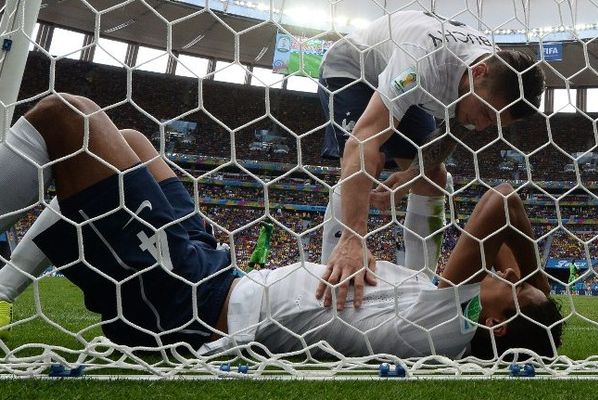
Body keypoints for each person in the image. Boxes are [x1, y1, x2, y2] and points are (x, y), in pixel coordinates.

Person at [0, 94, 562, 359]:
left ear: (495, 321)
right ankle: (5, 288)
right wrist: (530, 294)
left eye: (512, 285)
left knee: (64, 118)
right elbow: (503, 257)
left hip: (191, 309)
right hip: (219, 274)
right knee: (136, 146)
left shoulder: (449, 325)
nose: (505, 273)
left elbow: (503, 202)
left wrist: (542, 287)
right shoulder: (446, 314)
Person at [316, 10, 546, 310]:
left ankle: (418, 289)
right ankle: (332, 271)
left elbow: (452, 132)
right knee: (367, 162)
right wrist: (354, 237)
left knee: (433, 177)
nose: (482, 126)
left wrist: (410, 175)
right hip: (352, 72)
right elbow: (363, 140)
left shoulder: (488, 73)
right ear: (477, 74)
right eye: (487, 114)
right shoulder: (423, 63)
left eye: (495, 123)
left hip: (407, 82)